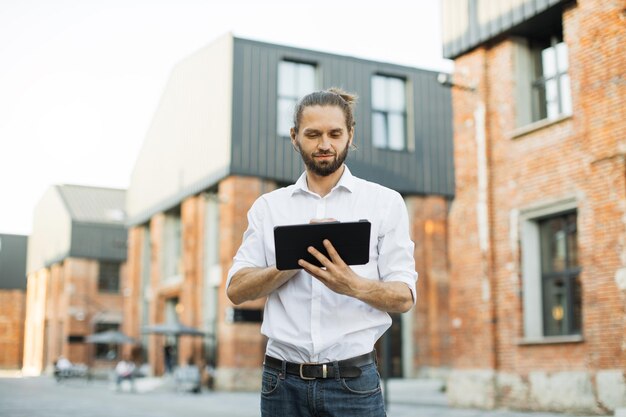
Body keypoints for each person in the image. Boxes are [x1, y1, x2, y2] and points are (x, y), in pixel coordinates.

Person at [226, 87, 417, 417]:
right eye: (313, 134)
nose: (325, 144)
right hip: (281, 383)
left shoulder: (384, 203)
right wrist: (293, 260)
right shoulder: (269, 207)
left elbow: (404, 297)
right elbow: (236, 290)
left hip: (353, 382)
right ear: (294, 137)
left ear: (350, 134)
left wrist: (351, 284)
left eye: (335, 133)